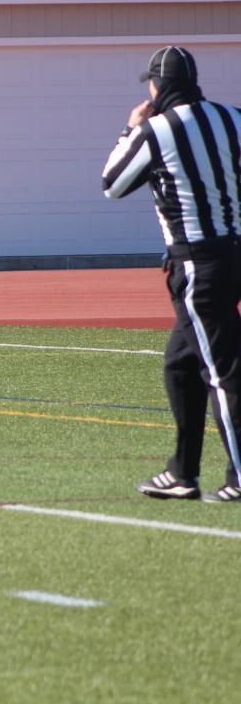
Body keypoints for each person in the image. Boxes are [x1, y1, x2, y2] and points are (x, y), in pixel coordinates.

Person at [103, 46, 241, 503]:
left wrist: (131, 127)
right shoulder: (232, 118)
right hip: (234, 253)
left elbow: (113, 183)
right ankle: (183, 472)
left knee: (222, 372)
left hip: (198, 263)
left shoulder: (156, 131)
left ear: (158, 86)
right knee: (181, 364)